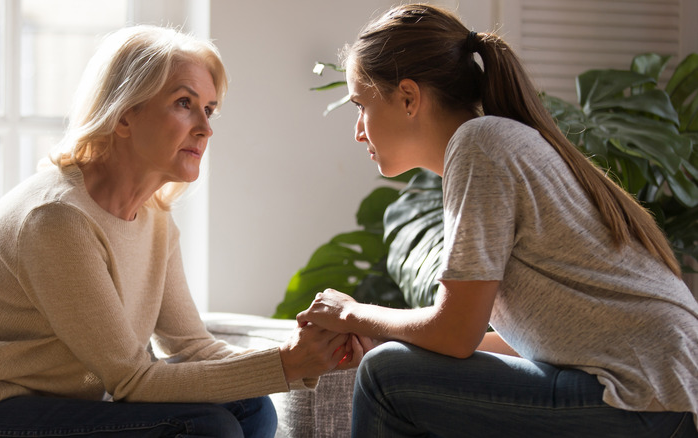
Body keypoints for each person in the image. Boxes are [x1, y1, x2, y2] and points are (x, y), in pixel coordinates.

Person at [0, 25, 362, 437]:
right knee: (207, 427)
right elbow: (131, 379)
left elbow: (191, 347)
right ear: (125, 115)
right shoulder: (57, 218)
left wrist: (305, 355)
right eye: (184, 103)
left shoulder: (154, 220)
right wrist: (286, 363)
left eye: (208, 109)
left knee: (251, 407)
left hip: (43, 401)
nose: (206, 129)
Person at [296, 4, 698, 437]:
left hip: (642, 399)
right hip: (661, 397)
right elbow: (529, 342)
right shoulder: (495, 143)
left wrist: (355, 313)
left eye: (361, 106)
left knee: (384, 377)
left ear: (409, 98)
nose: (359, 130)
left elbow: (455, 334)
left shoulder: (480, 145)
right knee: (389, 362)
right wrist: (387, 336)